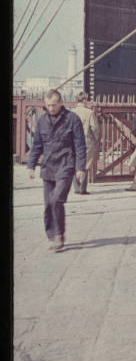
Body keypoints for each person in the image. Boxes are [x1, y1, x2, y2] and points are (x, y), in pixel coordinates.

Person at [27, 89, 86, 252]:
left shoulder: (72, 119)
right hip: (48, 167)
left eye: (54, 105)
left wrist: (80, 167)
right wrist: (31, 165)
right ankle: (53, 236)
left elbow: (80, 145)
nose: (51, 108)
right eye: (48, 105)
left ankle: (59, 235)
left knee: (56, 200)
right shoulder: (42, 121)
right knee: (48, 204)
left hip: (66, 165)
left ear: (60, 102)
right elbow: (37, 145)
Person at [72, 91, 100, 195]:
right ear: (84, 100)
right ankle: (82, 188)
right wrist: (96, 139)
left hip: (74, 141)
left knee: (75, 163)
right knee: (86, 164)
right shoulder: (89, 113)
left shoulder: (72, 112)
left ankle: (76, 187)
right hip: (86, 140)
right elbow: (94, 128)